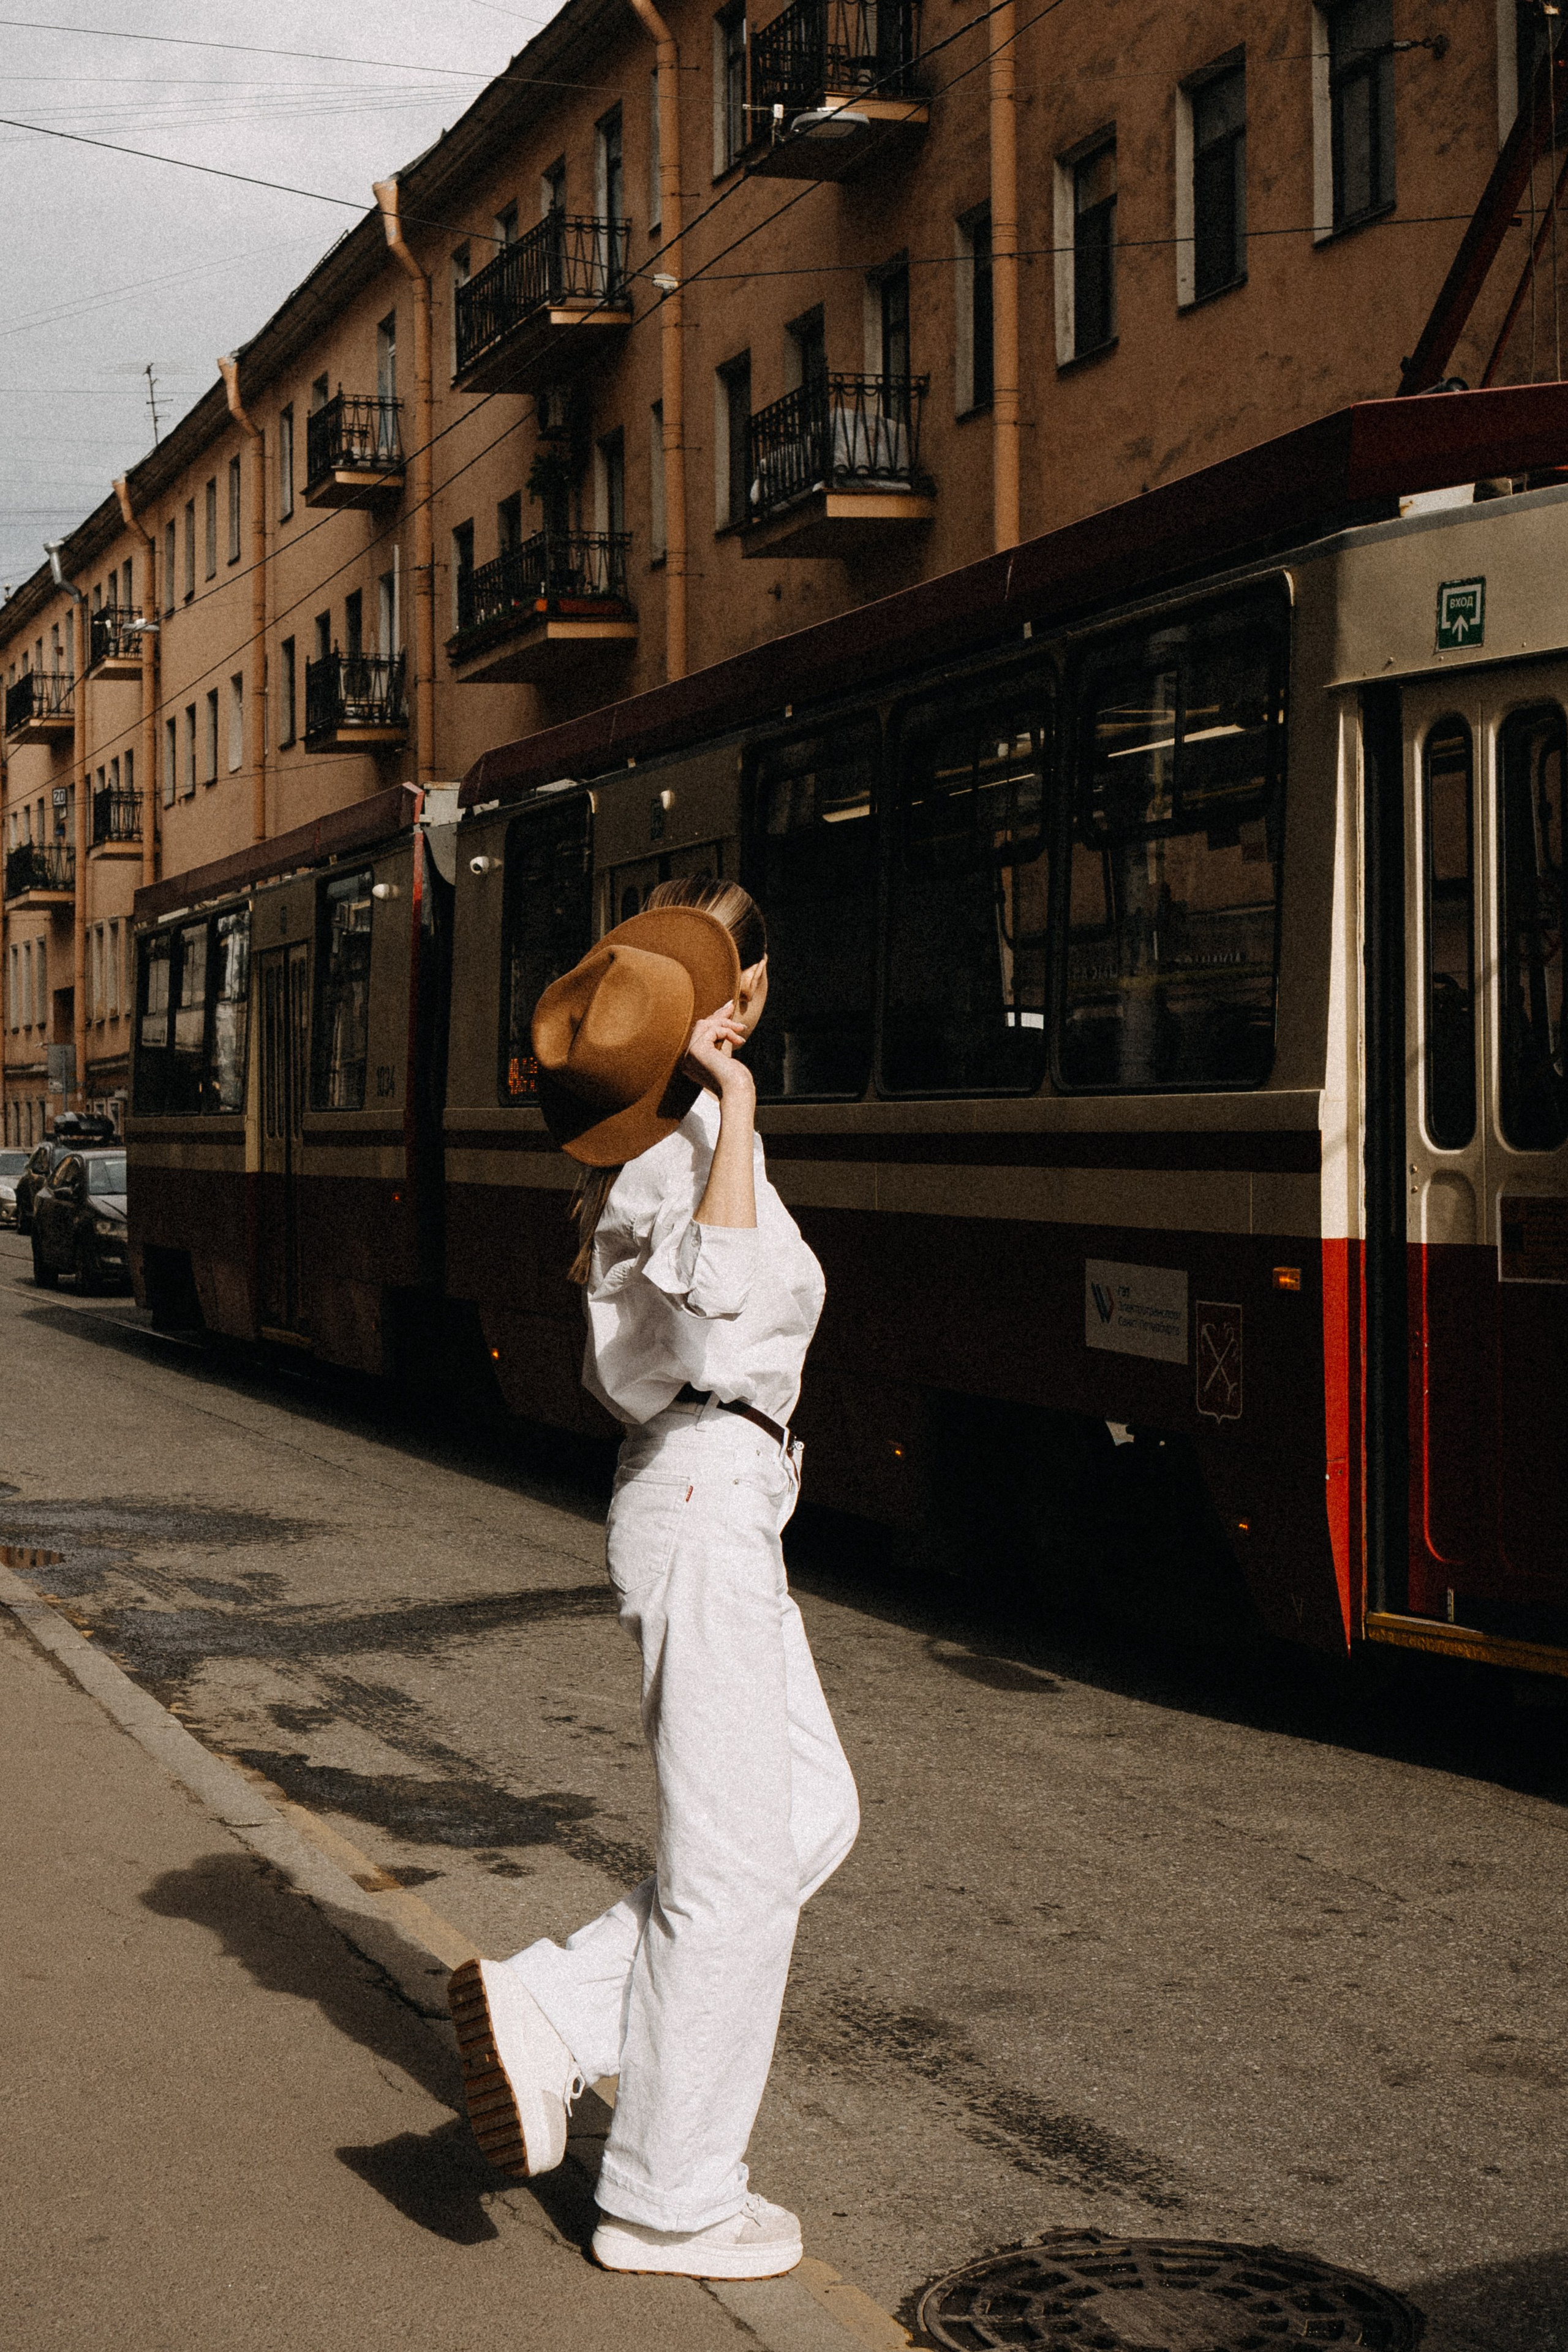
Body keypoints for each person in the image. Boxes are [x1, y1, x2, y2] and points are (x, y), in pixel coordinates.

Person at [448, 876, 859, 2282]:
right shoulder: (688, 1149)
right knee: (733, 1870)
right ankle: (670, 2194)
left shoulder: (657, 1150)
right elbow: (721, 1300)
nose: (751, 995)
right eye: (740, 979)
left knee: (807, 1813)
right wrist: (738, 1105)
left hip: (713, 1497)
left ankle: (554, 2013)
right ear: (724, 1009)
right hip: (702, 1491)